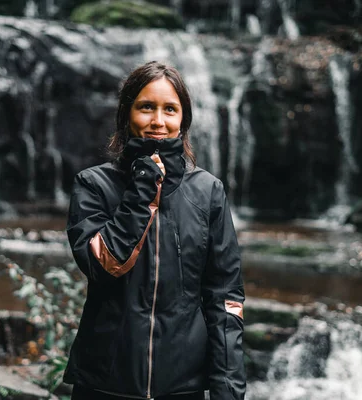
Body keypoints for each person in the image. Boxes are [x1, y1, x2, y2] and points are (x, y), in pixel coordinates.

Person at [64, 61, 246, 400]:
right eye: (146, 107)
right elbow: (103, 264)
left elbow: (225, 298)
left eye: (170, 109)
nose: (158, 121)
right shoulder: (93, 186)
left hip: (182, 387)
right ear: (126, 114)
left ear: (183, 120)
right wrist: (144, 186)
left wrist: (228, 390)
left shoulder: (208, 192)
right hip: (104, 385)